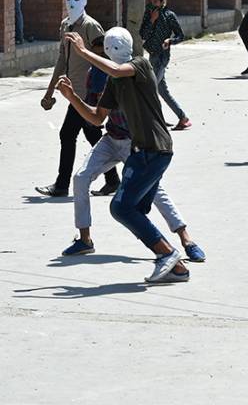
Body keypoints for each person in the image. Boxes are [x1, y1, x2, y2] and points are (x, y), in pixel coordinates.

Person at [57, 27, 191, 284]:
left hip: (156, 148)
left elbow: (118, 69)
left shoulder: (140, 65)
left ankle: (170, 253)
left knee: (121, 207)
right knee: (135, 209)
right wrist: (72, 97)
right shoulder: (113, 83)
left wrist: (83, 51)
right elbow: (97, 117)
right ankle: (176, 266)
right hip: (141, 151)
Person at [35, 0, 120, 198]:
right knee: (92, 136)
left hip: (89, 93)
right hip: (73, 92)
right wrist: (49, 92)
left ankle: (62, 185)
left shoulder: (91, 26)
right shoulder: (65, 25)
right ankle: (113, 180)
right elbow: (62, 60)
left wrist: (100, 92)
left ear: (83, 0)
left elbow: (104, 60)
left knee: (68, 134)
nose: (71, 2)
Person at [139, 0, 191, 131]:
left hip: (162, 57)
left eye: (155, 2)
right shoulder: (148, 14)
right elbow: (142, 34)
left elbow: (180, 35)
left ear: (162, 2)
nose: (152, 4)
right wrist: (151, 20)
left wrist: (170, 40)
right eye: (150, 1)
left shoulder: (169, 16)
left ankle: (154, 121)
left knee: (150, 88)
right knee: (162, 91)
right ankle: (182, 118)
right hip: (152, 55)